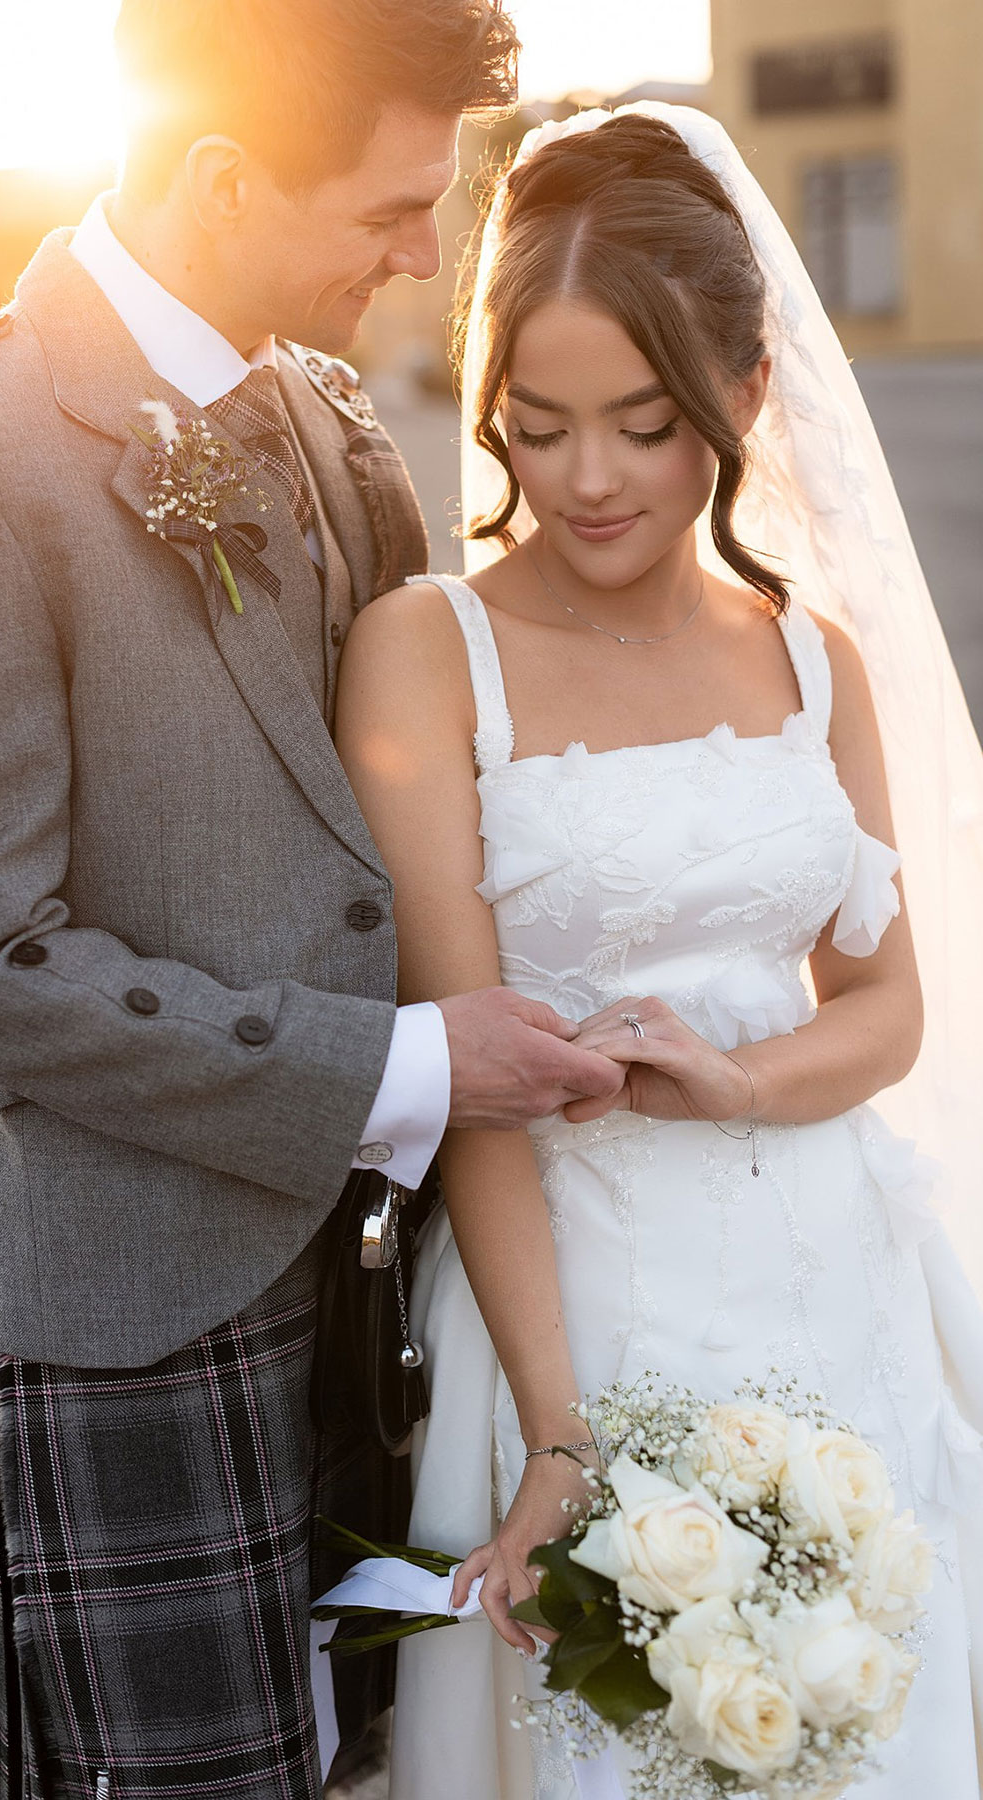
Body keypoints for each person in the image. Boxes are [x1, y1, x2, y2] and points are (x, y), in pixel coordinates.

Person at [0, 5, 634, 1795]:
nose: (427, 255)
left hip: (369, 1282)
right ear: (215, 172)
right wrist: (404, 1067)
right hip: (143, 1311)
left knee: (374, 1755)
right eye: (390, 209)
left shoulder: (330, 416)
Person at [335, 106, 983, 1798]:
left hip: (834, 1274)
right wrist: (560, 1430)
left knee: (856, 1720)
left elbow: (892, 1008)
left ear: (746, 399)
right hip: (570, 1295)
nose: (590, 478)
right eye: (536, 428)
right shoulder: (428, 652)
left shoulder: (814, 661)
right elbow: (467, 1070)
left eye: (644, 422)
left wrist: (737, 1080)